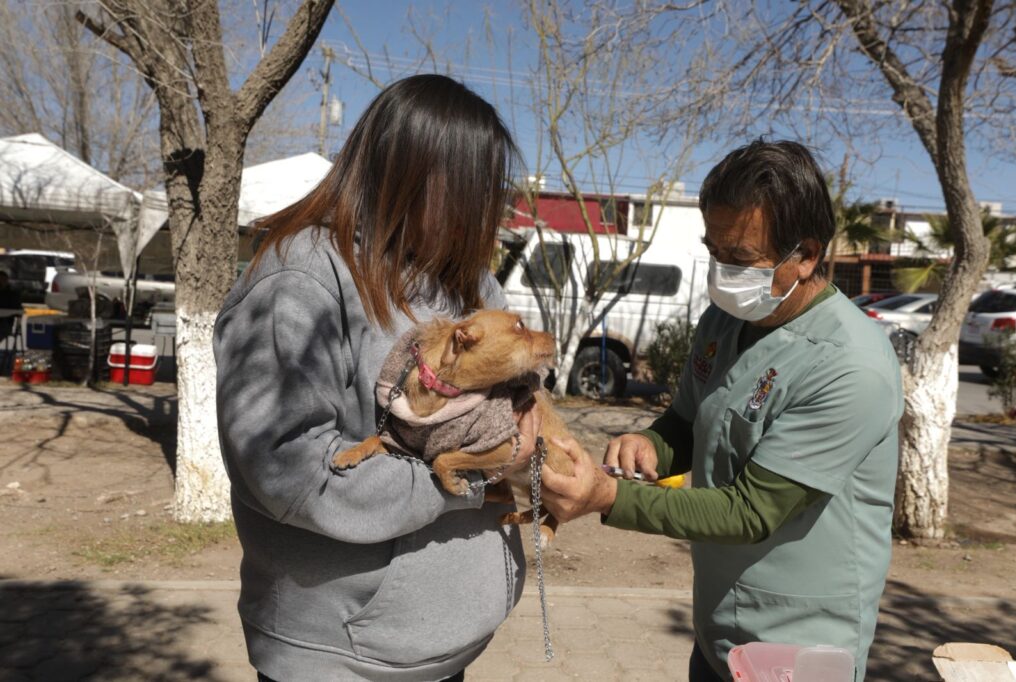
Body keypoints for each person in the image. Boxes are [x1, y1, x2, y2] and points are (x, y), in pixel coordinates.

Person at [214, 75, 539, 682]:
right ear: (409, 174)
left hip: (442, 643)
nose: (485, 211)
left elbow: (520, 410)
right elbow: (291, 472)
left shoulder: (466, 282)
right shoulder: (300, 280)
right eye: (472, 189)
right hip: (340, 654)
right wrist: (468, 477)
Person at [541, 139, 903, 682]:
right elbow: (688, 421)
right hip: (720, 630)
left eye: (740, 258)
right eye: (714, 251)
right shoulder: (725, 321)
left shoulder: (851, 367)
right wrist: (651, 445)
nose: (722, 271)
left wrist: (607, 497)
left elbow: (752, 511)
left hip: (798, 644)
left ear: (805, 255)